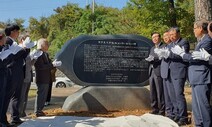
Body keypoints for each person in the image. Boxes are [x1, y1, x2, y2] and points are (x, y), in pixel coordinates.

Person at [171, 20, 212, 127]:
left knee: (203, 105)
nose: (193, 30)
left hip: (202, 77)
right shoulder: (201, 40)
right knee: (196, 106)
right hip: (196, 77)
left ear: (200, 29)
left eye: (194, 28)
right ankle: (199, 124)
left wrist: (183, 54)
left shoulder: (207, 40)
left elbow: (196, 58)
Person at [155, 27, 189, 125]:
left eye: (173, 35)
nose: (171, 37)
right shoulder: (171, 44)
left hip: (178, 72)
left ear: (178, 34)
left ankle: (183, 117)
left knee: (179, 95)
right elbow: (169, 55)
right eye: (170, 35)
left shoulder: (183, 42)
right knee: (172, 96)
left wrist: (168, 54)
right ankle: (177, 114)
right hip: (169, 73)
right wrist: (162, 54)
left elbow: (181, 55)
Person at [3, 24, 30, 125]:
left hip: (19, 71)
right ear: (12, 31)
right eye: (17, 31)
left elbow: (23, 55)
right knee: (8, 95)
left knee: (17, 95)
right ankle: (4, 119)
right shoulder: (7, 41)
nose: (18, 33)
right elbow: (10, 56)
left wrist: (26, 48)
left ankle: (15, 117)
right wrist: (22, 48)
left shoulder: (14, 42)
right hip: (12, 70)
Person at [145, 32, 165, 116]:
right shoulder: (152, 48)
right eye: (153, 37)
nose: (155, 39)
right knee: (152, 91)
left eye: (156, 37)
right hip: (151, 71)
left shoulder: (163, 47)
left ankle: (162, 109)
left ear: (160, 38)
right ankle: (154, 108)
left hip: (158, 71)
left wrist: (154, 58)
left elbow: (162, 58)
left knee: (159, 91)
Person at [160, 31, 177, 120]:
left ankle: (174, 113)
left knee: (172, 95)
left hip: (171, 73)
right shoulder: (165, 46)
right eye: (164, 36)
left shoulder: (173, 46)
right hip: (164, 73)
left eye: (167, 36)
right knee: (166, 95)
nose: (165, 38)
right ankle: (169, 113)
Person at [34, 38, 54, 117]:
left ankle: (40, 110)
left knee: (44, 95)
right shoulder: (38, 53)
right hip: (41, 78)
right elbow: (41, 66)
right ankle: (37, 111)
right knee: (40, 95)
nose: (48, 45)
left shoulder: (46, 54)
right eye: (46, 44)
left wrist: (54, 64)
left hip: (46, 78)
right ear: (42, 45)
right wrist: (52, 65)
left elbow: (49, 64)